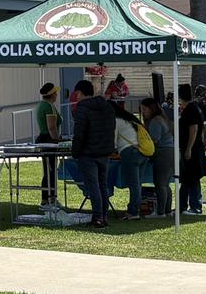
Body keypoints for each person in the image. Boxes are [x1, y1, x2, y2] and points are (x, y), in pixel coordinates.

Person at [70, 77, 117, 228]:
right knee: (102, 184)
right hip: (104, 152)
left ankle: (97, 217)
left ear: (79, 93)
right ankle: (103, 215)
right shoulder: (107, 106)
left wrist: (75, 152)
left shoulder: (82, 108)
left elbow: (79, 134)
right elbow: (112, 128)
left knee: (93, 186)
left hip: (88, 153)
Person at [177, 83, 206, 216]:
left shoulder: (192, 109)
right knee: (185, 178)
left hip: (193, 148)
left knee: (193, 177)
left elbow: (194, 129)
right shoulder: (190, 108)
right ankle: (182, 206)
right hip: (190, 147)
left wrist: (189, 148)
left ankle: (196, 206)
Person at [140, 99, 172, 216]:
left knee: (160, 184)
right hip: (170, 152)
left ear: (151, 108)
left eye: (144, 109)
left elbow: (154, 141)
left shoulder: (155, 121)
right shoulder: (162, 119)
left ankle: (160, 212)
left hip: (163, 153)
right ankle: (167, 211)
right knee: (165, 184)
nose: (143, 112)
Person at [113, 105, 146, 219]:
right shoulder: (131, 119)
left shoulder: (116, 120)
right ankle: (136, 209)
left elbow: (113, 143)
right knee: (138, 183)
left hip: (129, 152)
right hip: (142, 152)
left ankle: (133, 211)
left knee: (134, 184)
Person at [35, 82, 62, 207]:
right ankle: (50, 198)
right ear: (52, 94)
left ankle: (46, 198)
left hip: (43, 139)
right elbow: (51, 127)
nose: (57, 94)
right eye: (55, 92)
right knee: (51, 170)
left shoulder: (40, 105)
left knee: (47, 170)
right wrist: (57, 140)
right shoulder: (49, 107)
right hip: (49, 141)